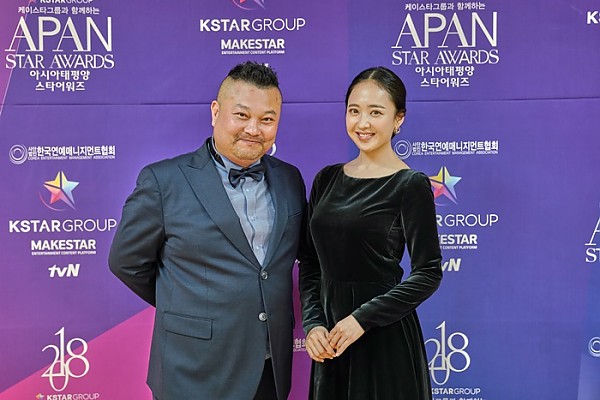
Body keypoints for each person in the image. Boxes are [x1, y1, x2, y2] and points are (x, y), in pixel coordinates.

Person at [109, 61, 306, 400]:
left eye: (267, 119)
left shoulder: (289, 178)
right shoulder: (164, 181)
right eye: (241, 115)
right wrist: (188, 304)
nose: (254, 129)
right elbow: (126, 262)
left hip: (269, 368)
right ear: (216, 112)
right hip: (194, 370)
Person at [298, 66, 442, 400]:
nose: (363, 123)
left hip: (383, 339)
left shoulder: (410, 185)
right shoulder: (326, 179)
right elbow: (310, 261)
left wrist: (362, 319)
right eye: (354, 111)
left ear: (398, 119)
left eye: (376, 112)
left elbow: (428, 272)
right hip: (331, 340)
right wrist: (314, 323)